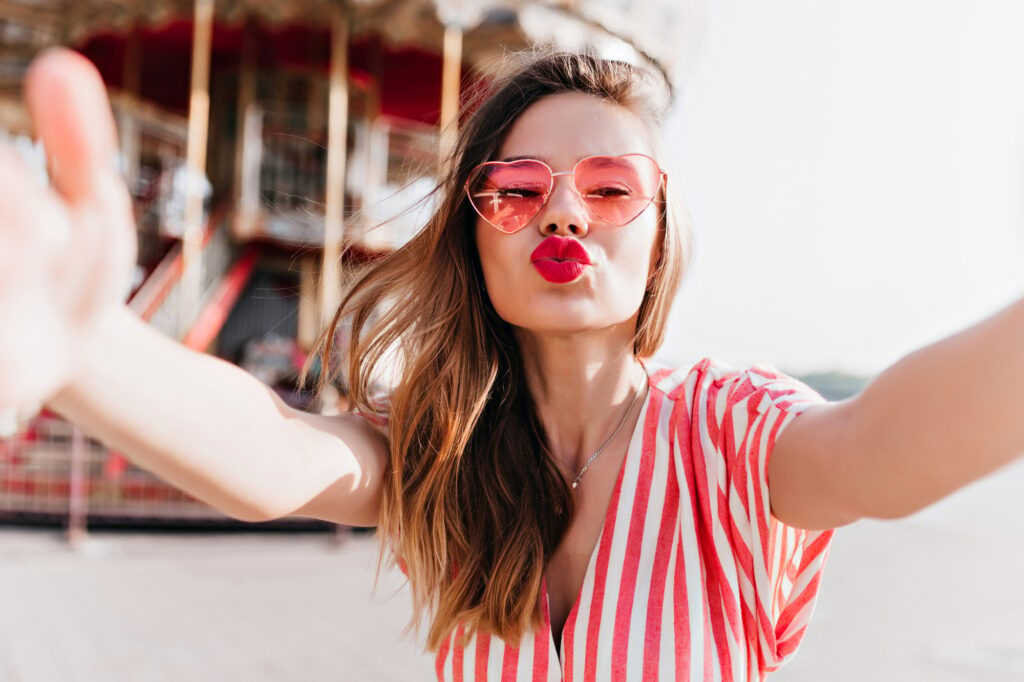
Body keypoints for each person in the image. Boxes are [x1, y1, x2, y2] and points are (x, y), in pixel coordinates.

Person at [1, 47, 1022, 682]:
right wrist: (83, 340)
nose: (565, 210)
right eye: (518, 189)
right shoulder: (440, 451)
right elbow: (274, 454)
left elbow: (877, 442)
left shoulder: (727, 434)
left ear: (659, 237)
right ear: (473, 234)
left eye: (612, 188)